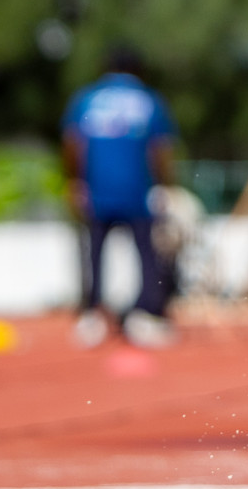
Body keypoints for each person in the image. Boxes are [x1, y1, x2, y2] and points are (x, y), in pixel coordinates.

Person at [62, 47, 178, 349]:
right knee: (146, 255)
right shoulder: (148, 99)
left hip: (97, 189)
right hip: (137, 190)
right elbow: (160, 148)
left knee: (93, 254)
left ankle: (91, 316)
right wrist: (164, 184)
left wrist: (75, 180)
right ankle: (147, 315)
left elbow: (73, 143)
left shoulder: (86, 97)